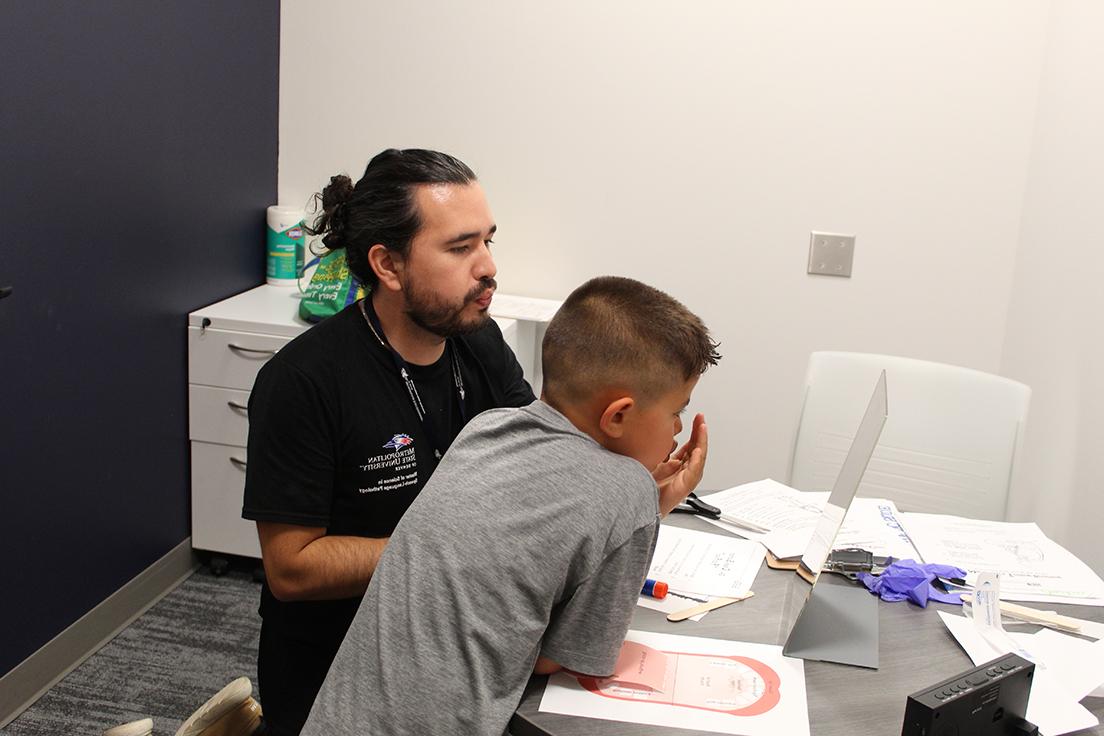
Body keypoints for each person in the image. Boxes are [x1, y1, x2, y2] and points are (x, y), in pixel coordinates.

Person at [300, 275, 721, 736]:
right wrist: (644, 506)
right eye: (677, 411)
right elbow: (559, 660)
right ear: (618, 415)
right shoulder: (629, 491)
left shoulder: (487, 428)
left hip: (333, 718)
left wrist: (643, 506)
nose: (679, 429)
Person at [241, 149, 536, 736]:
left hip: (459, 645)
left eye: (488, 242)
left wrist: (627, 492)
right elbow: (291, 569)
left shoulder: (479, 343)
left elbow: (534, 465)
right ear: (388, 265)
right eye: (460, 248)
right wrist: (452, 551)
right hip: (341, 679)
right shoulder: (303, 382)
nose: (487, 268)